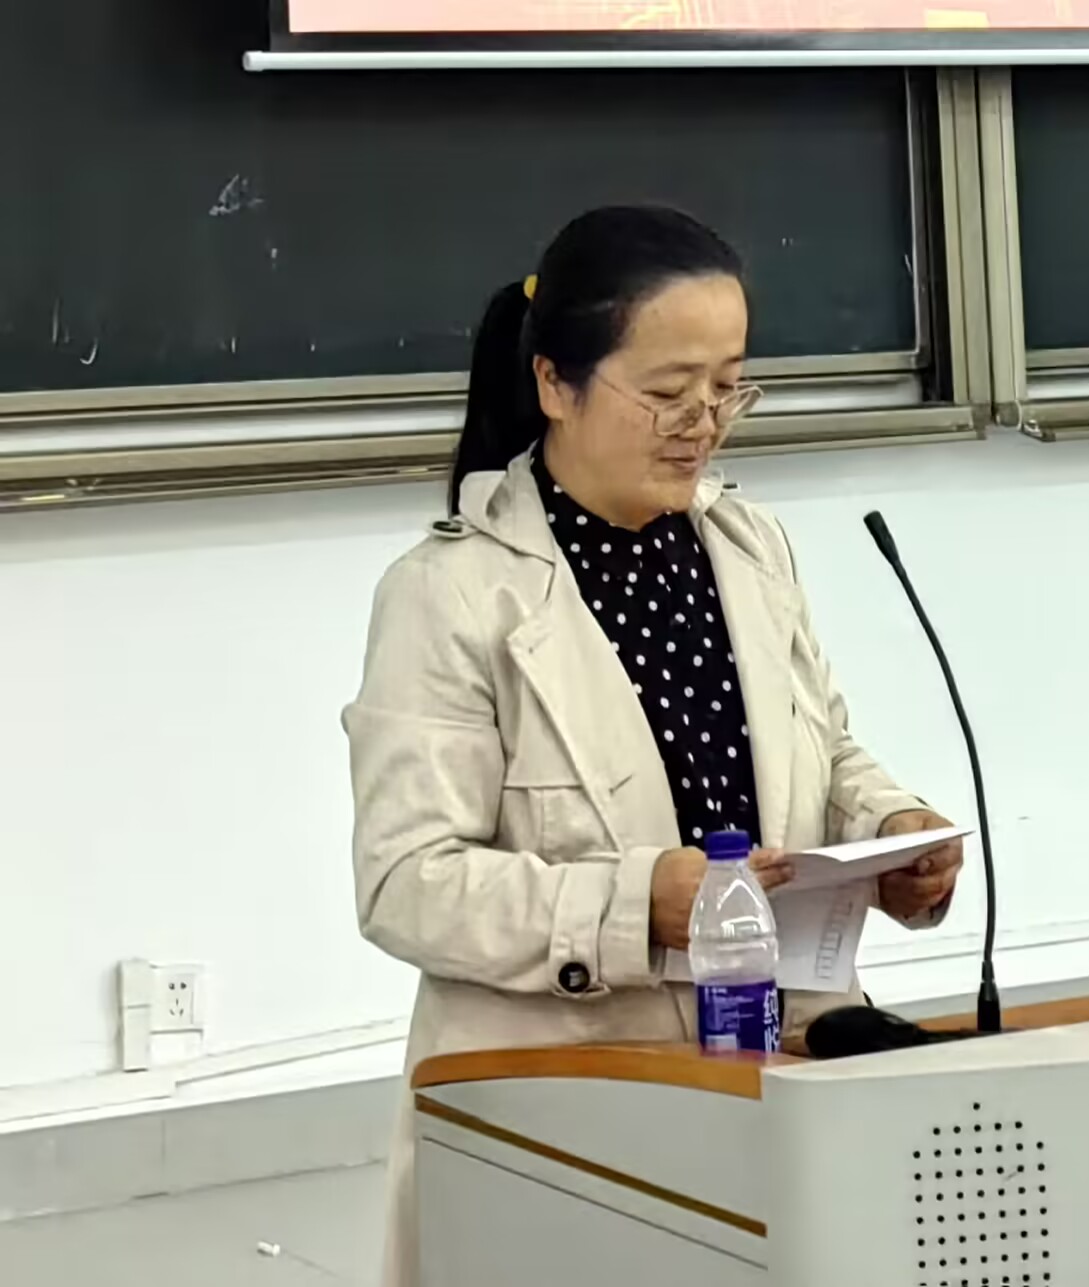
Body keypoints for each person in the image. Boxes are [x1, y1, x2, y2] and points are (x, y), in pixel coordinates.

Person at [342, 205, 963, 1287]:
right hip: (562, 1100)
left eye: (729, 388)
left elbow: (823, 748)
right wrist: (634, 908)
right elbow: (406, 883)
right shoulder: (451, 595)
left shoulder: (748, 547)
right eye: (669, 393)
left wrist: (889, 828)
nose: (703, 424)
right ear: (554, 383)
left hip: (774, 1062)